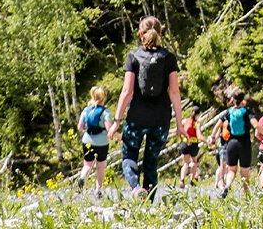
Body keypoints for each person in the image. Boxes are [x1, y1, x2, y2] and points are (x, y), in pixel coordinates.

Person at [113, 16, 182, 199]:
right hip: (160, 119)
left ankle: (136, 189)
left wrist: (116, 121)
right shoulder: (169, 58)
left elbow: (127, 91)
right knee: (151, 163)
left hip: (136, 118)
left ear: (140, 34)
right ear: (161, 33)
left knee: (129, 157)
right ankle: (148, 207)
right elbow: (174, 93)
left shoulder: (133, 56)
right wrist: (180, 123)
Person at [214, 88, 254, 192]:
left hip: (231, 144)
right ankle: (246, 195)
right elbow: (255, 124)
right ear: (243, 99)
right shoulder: (246, 111)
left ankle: (227, 186)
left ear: (233, 99)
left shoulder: (229, 112)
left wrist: (212, 136)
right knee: (244, 172)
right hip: (244, 143)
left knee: (231, 170)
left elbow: (218, 124)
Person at [76, 86, 113, 193]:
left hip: (87, 140)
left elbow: (80, 127)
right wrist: (120, 137)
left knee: (87, 164)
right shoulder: (106, 112)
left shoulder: (86, 110)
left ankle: (82, 178)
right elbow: (109, 129)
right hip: (102, 142)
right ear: (103, 98)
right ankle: (98, 190)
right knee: (100, 167)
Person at [174, 105, 201, 185]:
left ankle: (182, 179)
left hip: (184, 143)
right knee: (194, 161)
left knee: (186, 163)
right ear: (198, 114)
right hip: (194, 144)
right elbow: (198, 134)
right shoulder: (196, 123)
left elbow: (177, 130)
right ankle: (192, 180)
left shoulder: (185, 121)